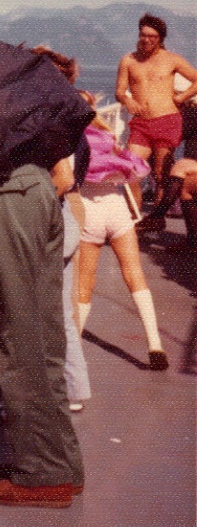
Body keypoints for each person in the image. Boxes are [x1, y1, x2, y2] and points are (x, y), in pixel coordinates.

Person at [0, 37, 92, 509]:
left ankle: (41, 475)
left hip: (9, 196)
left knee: (13, 336)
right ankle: (61, 465)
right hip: (38, 190)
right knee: (43, 340)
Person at [76, 99, 169, 370]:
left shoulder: (71, 137)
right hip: (116, 209)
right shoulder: (106, 135)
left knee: (84, 284)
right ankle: (155, 345)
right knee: (135, 275)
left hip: (89, 210)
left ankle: (75, 350)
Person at [31, 47, 92, 411]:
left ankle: (23, 397)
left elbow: (64, 179)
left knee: (26, 313)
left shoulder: (53, 124)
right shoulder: (75, 122)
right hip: (64, 220)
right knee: (61, 314)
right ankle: (73, 389)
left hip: (47, 223)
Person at [116, 13, 197, 225]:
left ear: (160, 38)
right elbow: (119, 91)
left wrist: (182, 97)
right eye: (143, 35)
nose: (146, 39)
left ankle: (156, 219)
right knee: (131, 170)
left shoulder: (172, 59)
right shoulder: (128, 60)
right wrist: (126, 99)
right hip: (141, 124)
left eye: (152, 36)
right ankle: (134, 218)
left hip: (167, 121)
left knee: (162, 174)